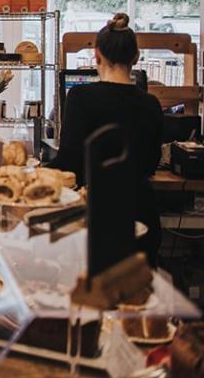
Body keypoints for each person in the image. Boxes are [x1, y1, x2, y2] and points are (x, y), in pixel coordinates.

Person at [50, 13, 163, 265]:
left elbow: (69, 163)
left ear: (97, 55)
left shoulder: (80, 97)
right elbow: (151, 163)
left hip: (97, 218)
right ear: (135, 57)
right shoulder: (151, 104)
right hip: (141, 217)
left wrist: (32, 172)